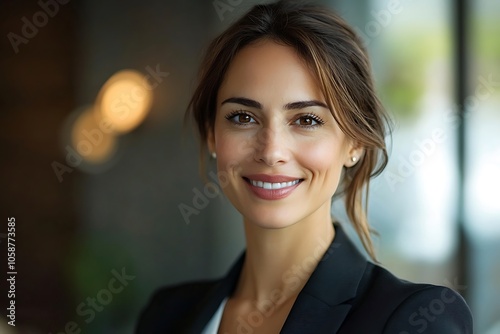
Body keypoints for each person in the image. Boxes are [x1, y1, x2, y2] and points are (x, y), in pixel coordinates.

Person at [136, 1, 473, 333]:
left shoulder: (416, 320)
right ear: (211, 134)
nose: (271, 152)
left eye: (306, 120)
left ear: (354, 143)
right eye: (243, 117)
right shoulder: (166, 315)